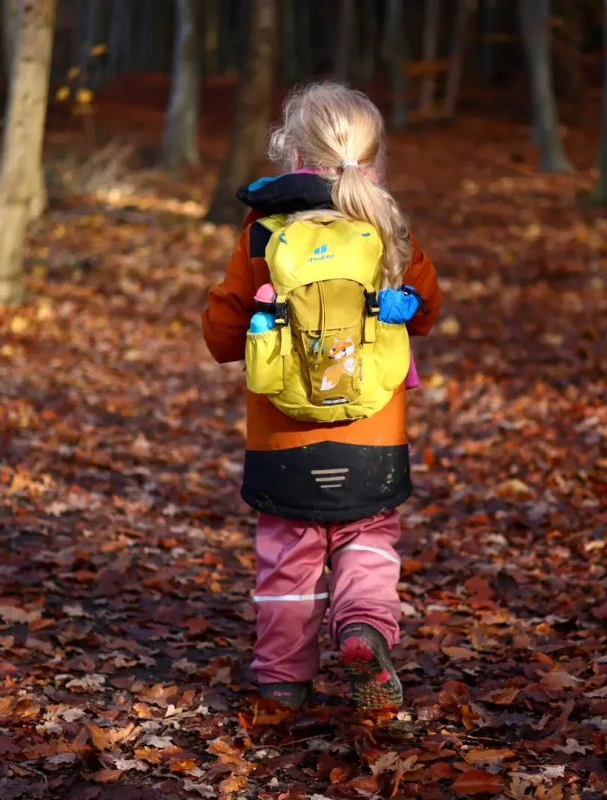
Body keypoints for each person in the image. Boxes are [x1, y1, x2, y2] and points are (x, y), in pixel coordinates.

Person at [201, 82, 441, 710]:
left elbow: (223, 337)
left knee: (288, 558)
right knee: (368, 543)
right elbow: (427, 311)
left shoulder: (264, 232)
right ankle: (363, 629)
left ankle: (282, 681)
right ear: (375, 159)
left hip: (282, 439)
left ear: (292, 158)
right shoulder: (386, 228)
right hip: (374, 437)